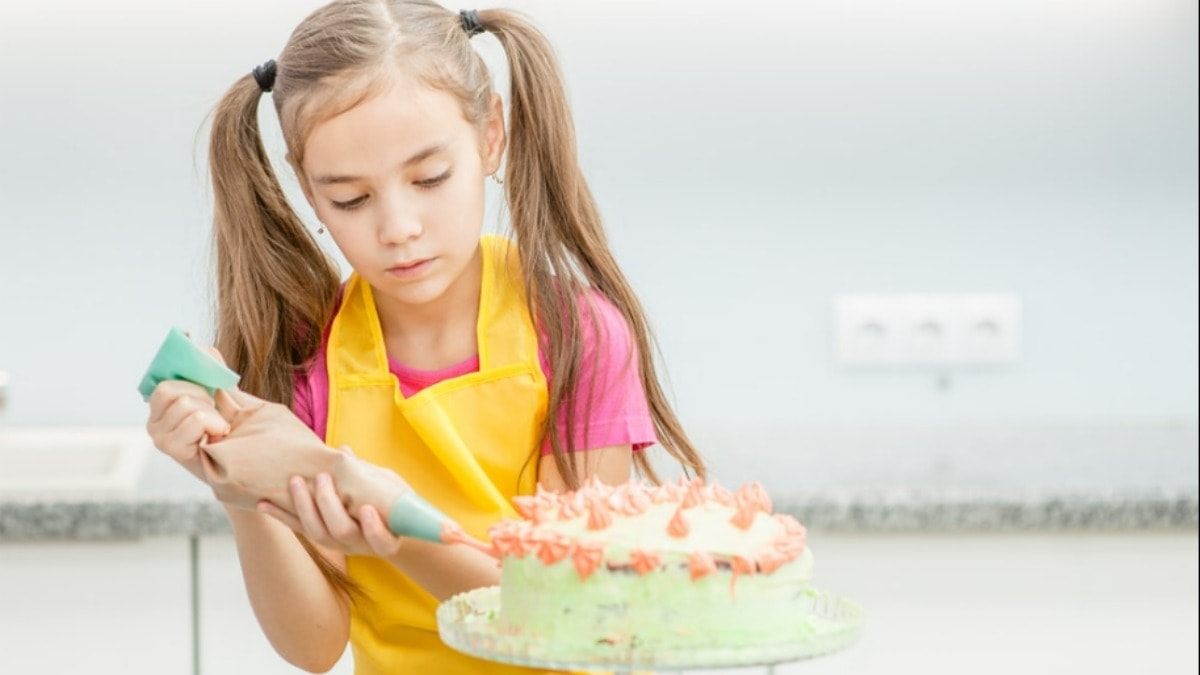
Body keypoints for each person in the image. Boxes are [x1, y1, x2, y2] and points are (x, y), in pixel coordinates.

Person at [144, 1, 706, 673]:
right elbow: (315, 646)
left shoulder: (575, 335)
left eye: (430, 178)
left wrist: (393, 525)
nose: (399, 228)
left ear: (490, 134)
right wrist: (241, 488)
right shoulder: (308, 357)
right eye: (351, 199)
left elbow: (566, 623)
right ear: (308, 189)